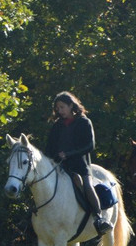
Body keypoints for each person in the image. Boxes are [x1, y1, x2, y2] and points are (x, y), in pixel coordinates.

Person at [43, 91, 112, 235]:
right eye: (58, 108)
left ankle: (99, 218)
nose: (59, 111)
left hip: (80, 166)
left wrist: (68, 154)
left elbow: (90, 145)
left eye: (62, 107)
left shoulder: (84, 122)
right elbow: (49, 148)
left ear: (70, 105)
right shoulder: (57, 126)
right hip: (60, 166)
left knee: (86, 185)